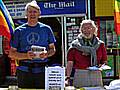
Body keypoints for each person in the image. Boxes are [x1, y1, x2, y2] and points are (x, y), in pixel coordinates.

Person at [9, 1, 56, 88]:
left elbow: (53, 49)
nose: (32, 14)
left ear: (39, 14)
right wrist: (26, 56)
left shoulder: (46, 29)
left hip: (42, 71)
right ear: (26, 14)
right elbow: (11, 54)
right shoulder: (19, 31)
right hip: (24, 71)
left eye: (35, 11)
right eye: (30, 11)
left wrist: (47, 54)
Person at [66, 19, 107, 88]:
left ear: (94, 29)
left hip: (96, 76)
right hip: (80, 75)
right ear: (81, 30)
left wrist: (100, 65)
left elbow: (104, 61)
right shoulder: (75, 45)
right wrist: (67, 78)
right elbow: (70, 63)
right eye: (84, 28)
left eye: (89, 28)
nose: (86, 31)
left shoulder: (100, 44)